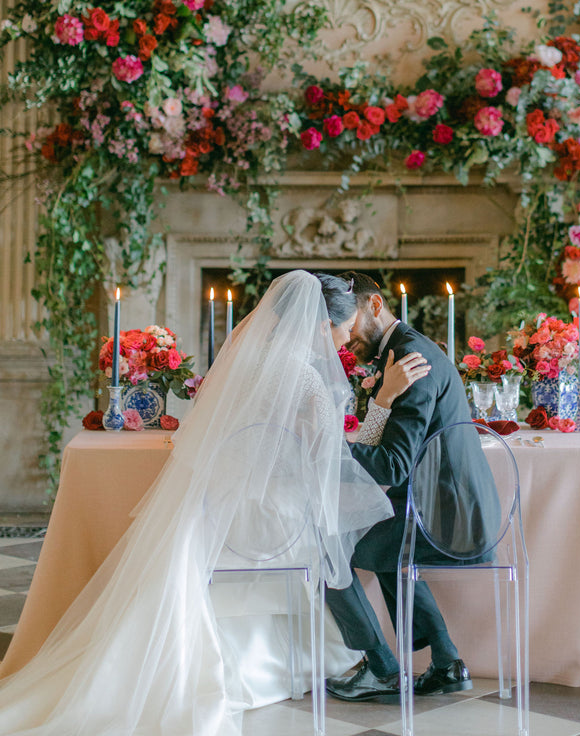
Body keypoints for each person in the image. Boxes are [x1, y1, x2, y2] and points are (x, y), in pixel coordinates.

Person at [0, 270, 427, 736]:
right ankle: (383, 661)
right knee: (344, 531)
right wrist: (384, 402)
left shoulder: (252, 361)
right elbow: (339, 467)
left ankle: (372, 660)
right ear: (320, 326)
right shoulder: (305, 380)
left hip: (223, 505)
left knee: (330, 525)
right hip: (264, 522)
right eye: (343, 330)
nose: (347, 340)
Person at [325, 271, 500, 703]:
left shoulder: (410, 362)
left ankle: (382, 668)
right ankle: (445, 661)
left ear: (374, 304)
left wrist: (327, 449)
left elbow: (395, 465)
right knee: (375, 536)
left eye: (350, 320)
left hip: (446, 519)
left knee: (330, 546)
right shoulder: (403, 353)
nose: (346, 339)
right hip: (441, 505)